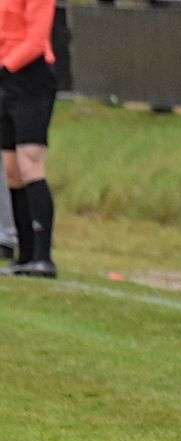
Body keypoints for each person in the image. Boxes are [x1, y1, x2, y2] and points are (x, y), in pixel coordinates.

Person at [0, 0, 58, 278]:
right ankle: (25, 255)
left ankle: (43, 257)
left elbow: (35, 41)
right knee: (12, 171)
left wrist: (6, 66)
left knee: (30, 163)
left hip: (30, 78)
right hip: (6, 80)